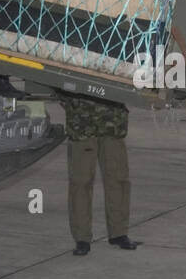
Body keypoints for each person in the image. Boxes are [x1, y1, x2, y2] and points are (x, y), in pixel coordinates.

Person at [58, 91, 138, 256]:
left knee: (118, 180)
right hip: (82, 121)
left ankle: (119, 233)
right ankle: (82, 238)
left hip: (112, 121)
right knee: (81, 182)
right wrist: (70, 101)